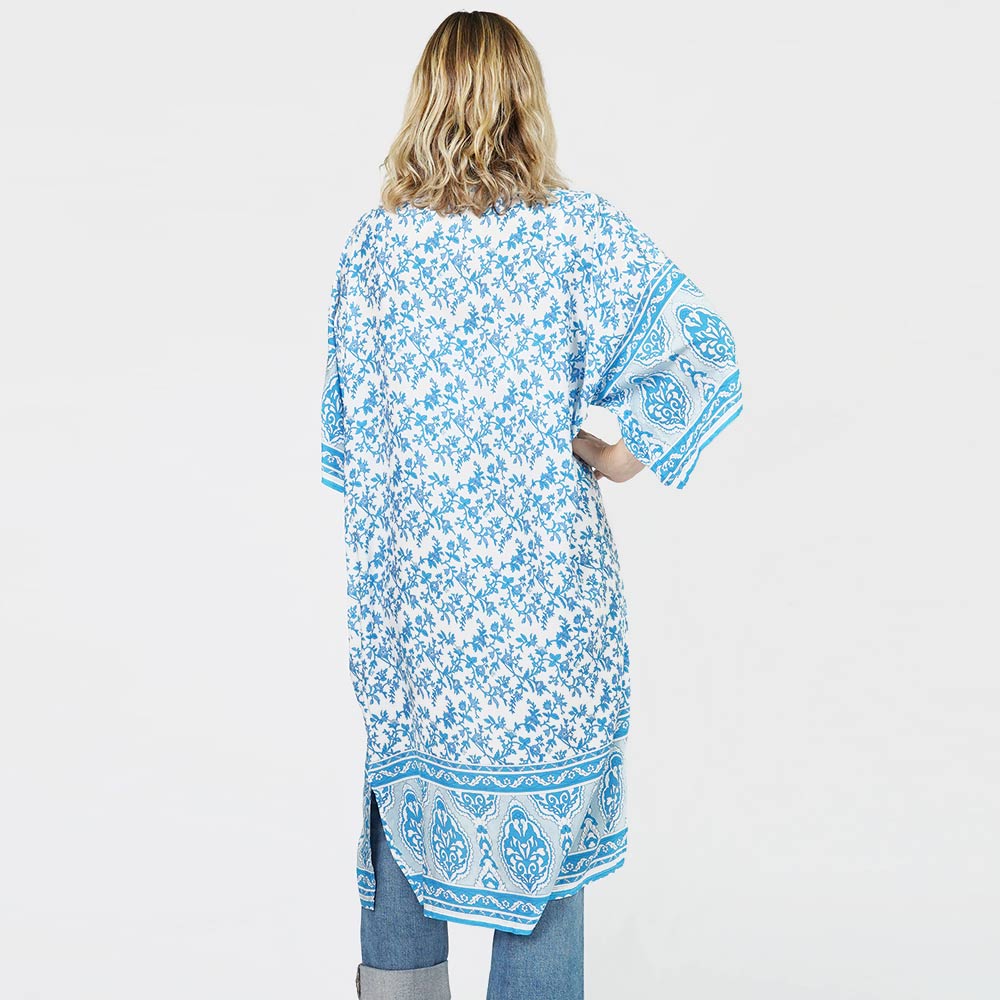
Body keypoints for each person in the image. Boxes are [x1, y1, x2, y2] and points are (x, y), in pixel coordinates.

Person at [321, 11, 743, 999]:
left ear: (425, 100)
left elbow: (348, 443)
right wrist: (619, 457)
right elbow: (701, 346)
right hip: (547, 615)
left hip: (417, 614)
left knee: (406, 816)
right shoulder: (576, 234)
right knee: (543, 854)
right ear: (526, 101)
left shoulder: (372, 251)